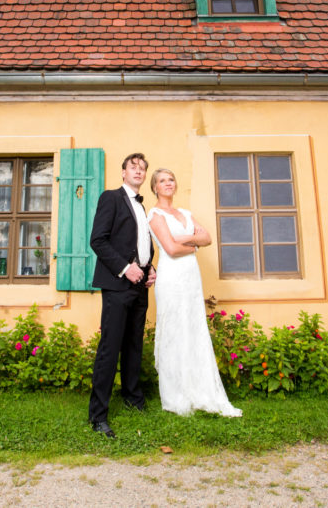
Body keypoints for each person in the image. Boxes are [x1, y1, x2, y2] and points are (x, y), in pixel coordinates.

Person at [147, 167, 242, 417]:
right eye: (162, 181)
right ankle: (175, 394)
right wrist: (193, 244)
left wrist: (185, 241)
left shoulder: (185, 213)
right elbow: (170, 248)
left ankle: (199, 388)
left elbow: (208, 237)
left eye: (171, 179)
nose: (168, 183)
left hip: (190, 277)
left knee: (193, 327)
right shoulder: (155, 214)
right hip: (171, 278)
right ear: (155, 187)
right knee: (174, 329)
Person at [87, 153, 156, 438]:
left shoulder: (142, 207)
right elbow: (98, 240)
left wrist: (150, 267)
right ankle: (98, 416)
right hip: (118, 283)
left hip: (140, 284)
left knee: (133, 346)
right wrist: (126, 268)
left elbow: (140, 244)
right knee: (110, 348)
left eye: (142, 168)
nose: (138, 171)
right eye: (133, 167)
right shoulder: (111, 198)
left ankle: (133, 398)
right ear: (123, 172)